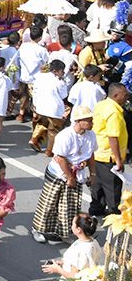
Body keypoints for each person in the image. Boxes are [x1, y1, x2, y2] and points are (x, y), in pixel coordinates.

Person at [33, 105, 96, 243]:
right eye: (89, 120)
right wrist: (69, 177)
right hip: (59, 173)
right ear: (79, 121)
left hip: (76, 173)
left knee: (70, 205)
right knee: (49, 203)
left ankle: (64, 232)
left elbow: (91, 154)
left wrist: (92, 173)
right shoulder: (65, 135)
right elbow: (60, 158)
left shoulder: (91, 135)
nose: (92, 122)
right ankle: (38, 229)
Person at [91, 84, 129, 216]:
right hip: (109, 155)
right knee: (112, 189)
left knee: (98, 185)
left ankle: (96, 210)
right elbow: (113, 137)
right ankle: (113, 215)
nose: (127, 97)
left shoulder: (102, 104)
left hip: (97, 152)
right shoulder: (114, 112)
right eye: (125, 95)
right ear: (116, 95)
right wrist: (118, 160)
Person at [41, 214, 104, 278]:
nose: (71, 226)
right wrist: (63, 262)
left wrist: (58, 270)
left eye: (73, 224)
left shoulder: (80, 251)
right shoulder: (93, 241)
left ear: (79, 229)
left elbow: (73, 277)